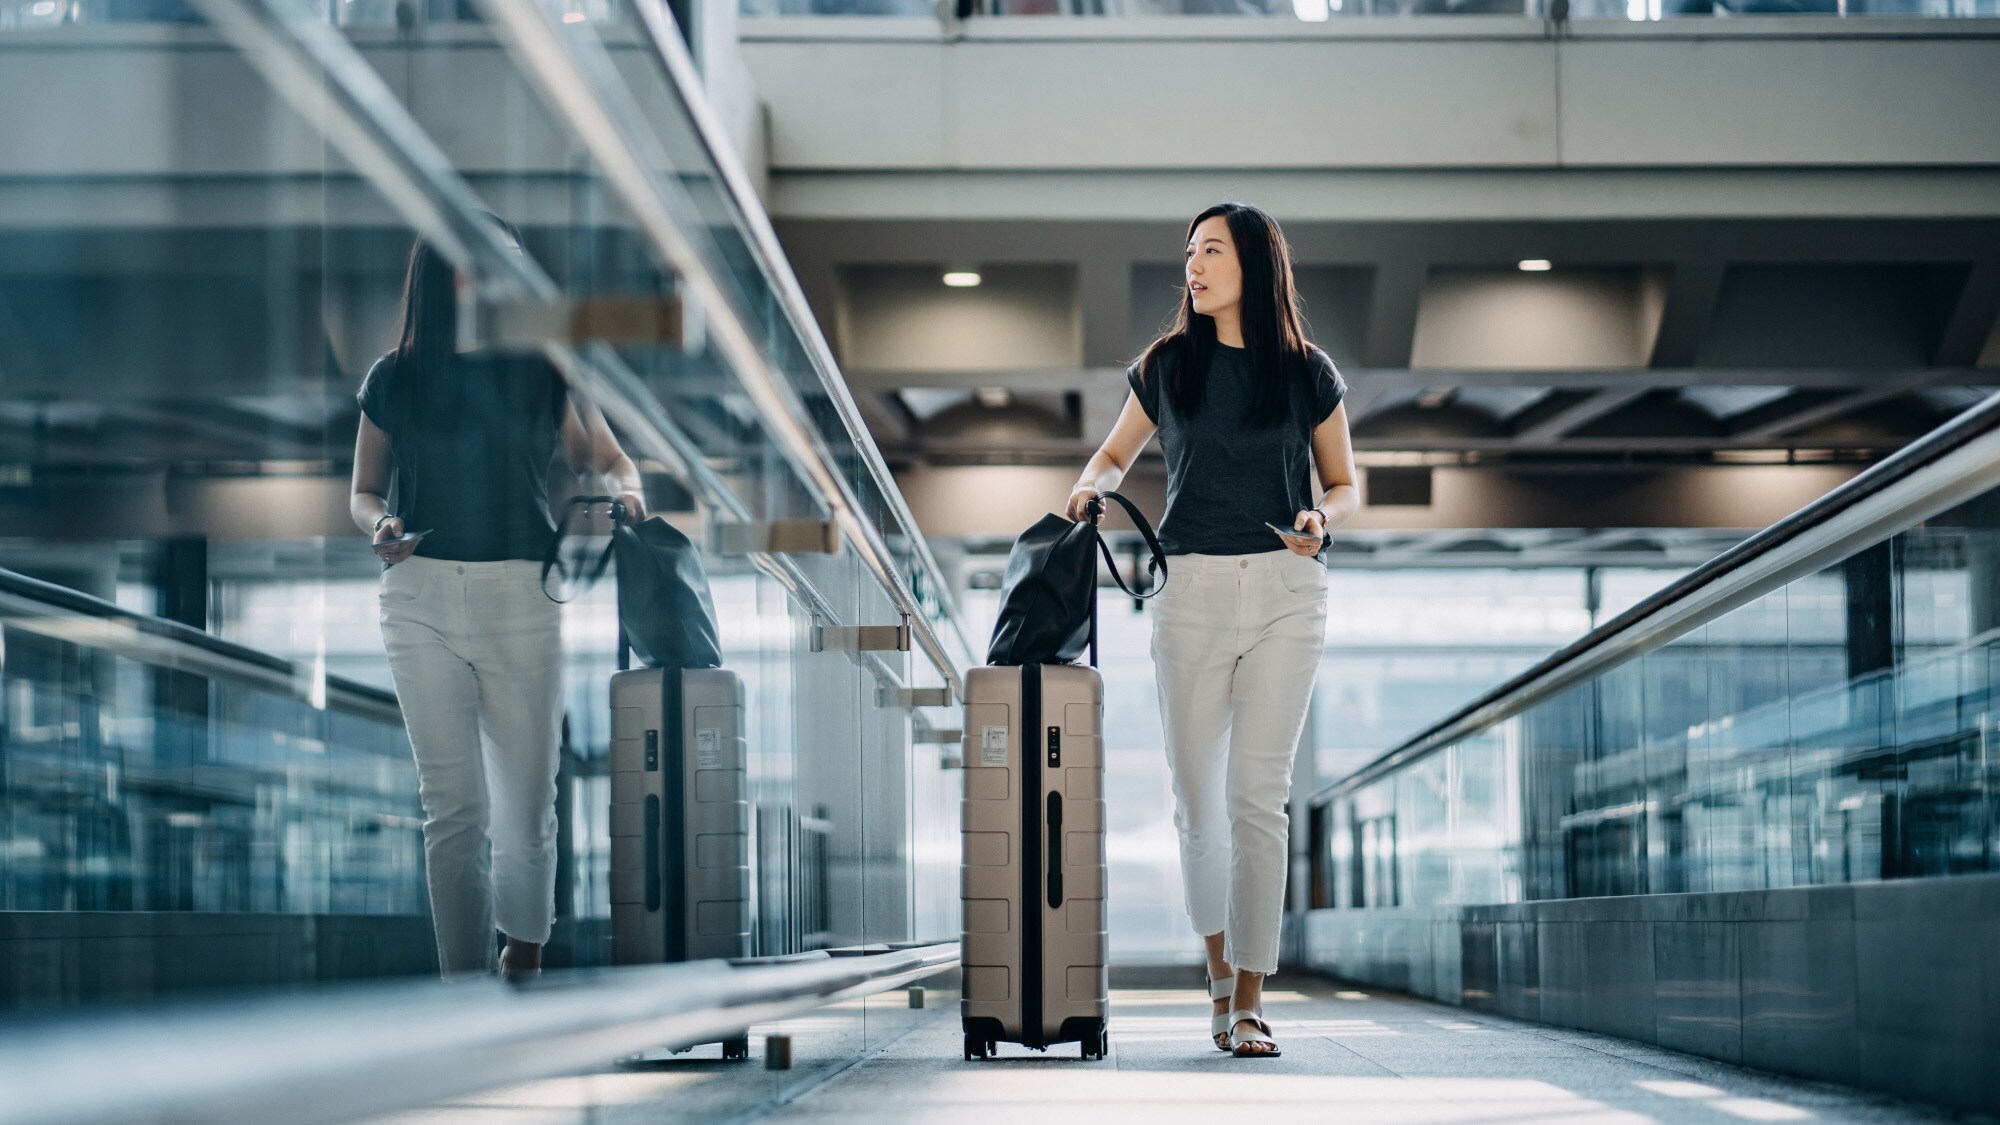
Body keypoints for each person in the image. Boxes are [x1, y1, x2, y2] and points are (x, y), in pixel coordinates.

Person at [1065, 202, 1357, 1057]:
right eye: (1188, 253)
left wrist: (1320, 516)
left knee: (1256, 800)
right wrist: (1090, 484)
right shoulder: (1168, 364)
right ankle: (1220, 974)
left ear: (1256, 266)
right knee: (1199, 805)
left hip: (1286, 589)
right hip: (1187, 589)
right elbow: (1115, 456)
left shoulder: (1307, 371)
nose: (1193, 266)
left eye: (1212, 251)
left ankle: (1253, 1003)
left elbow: (1343, 482)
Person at [350, 224, 646, 980]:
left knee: (526, 800)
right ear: (444, 281)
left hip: (521, 592)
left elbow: (608, 456)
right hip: (418, 595)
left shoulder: (544, 368)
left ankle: (524, 957)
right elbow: (362, 491)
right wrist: (377, 523)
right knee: (451, 807)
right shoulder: (395, 376)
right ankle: (461, 986)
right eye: (482, 270)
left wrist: (627, 490)